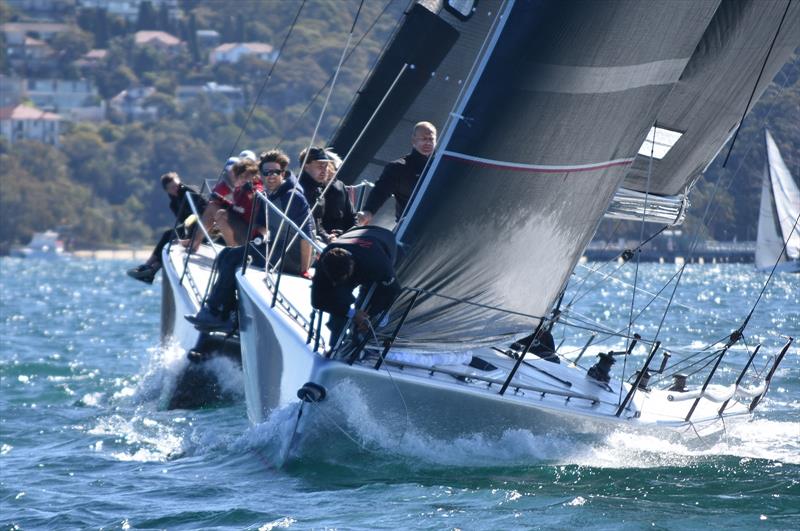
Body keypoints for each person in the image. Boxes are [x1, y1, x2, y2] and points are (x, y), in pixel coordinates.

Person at [185, 150, 312, 332]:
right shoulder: (268, 194)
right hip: (273, 248)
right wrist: (259, 238)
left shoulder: (293, 196)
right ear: (261, 174)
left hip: (291, 257)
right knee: (226, 254)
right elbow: (262, 225)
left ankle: (215, 312)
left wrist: (304, 269)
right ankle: (221, 311)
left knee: (233, 258)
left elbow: (305, 236)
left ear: (283, 173)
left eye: (275, 172)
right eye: (266, 173)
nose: (271, 176)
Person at [311, 226, 401, 346]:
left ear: (352, 266)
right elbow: (317, 301)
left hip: (383, 242)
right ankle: (334, 345)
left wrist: (368, 317)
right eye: (334, 280)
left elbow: (393, 291)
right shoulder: (326, 259)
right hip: (353, 236)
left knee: (370, 302)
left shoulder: (378, 264)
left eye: (341, 279)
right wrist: (350, 313)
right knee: (337, 298)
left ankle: (361, 341)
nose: (336, 283)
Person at [127, 172, 207, 284]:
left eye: (177, 185)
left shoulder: (189, 193)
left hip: (203, 228)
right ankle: (149, 267)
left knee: (171, 236)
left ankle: (150, 268)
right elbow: (184, 222)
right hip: (189, 228)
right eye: (172, 187)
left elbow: (204, 212)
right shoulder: (173, 204)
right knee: (168, 235)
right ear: (167, 190)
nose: (177, 188)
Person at [357, 121, 437, 225]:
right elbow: (381, 191)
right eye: (423, 139)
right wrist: (368, 211)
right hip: (411, 226)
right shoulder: (398, 167)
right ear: (413, 141)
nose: (428, 143)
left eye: (431, 139)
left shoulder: (445, 164)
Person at [298, 147, 356, 244]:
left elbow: (351, 216)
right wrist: (328, 238)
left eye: (326, 166)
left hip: (330, 237)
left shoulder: (319, 189)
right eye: (320, 166)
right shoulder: (300, 189)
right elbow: (310, 224)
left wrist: (352, 234)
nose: (324, 170)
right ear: (306, 166)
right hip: (305, 242)